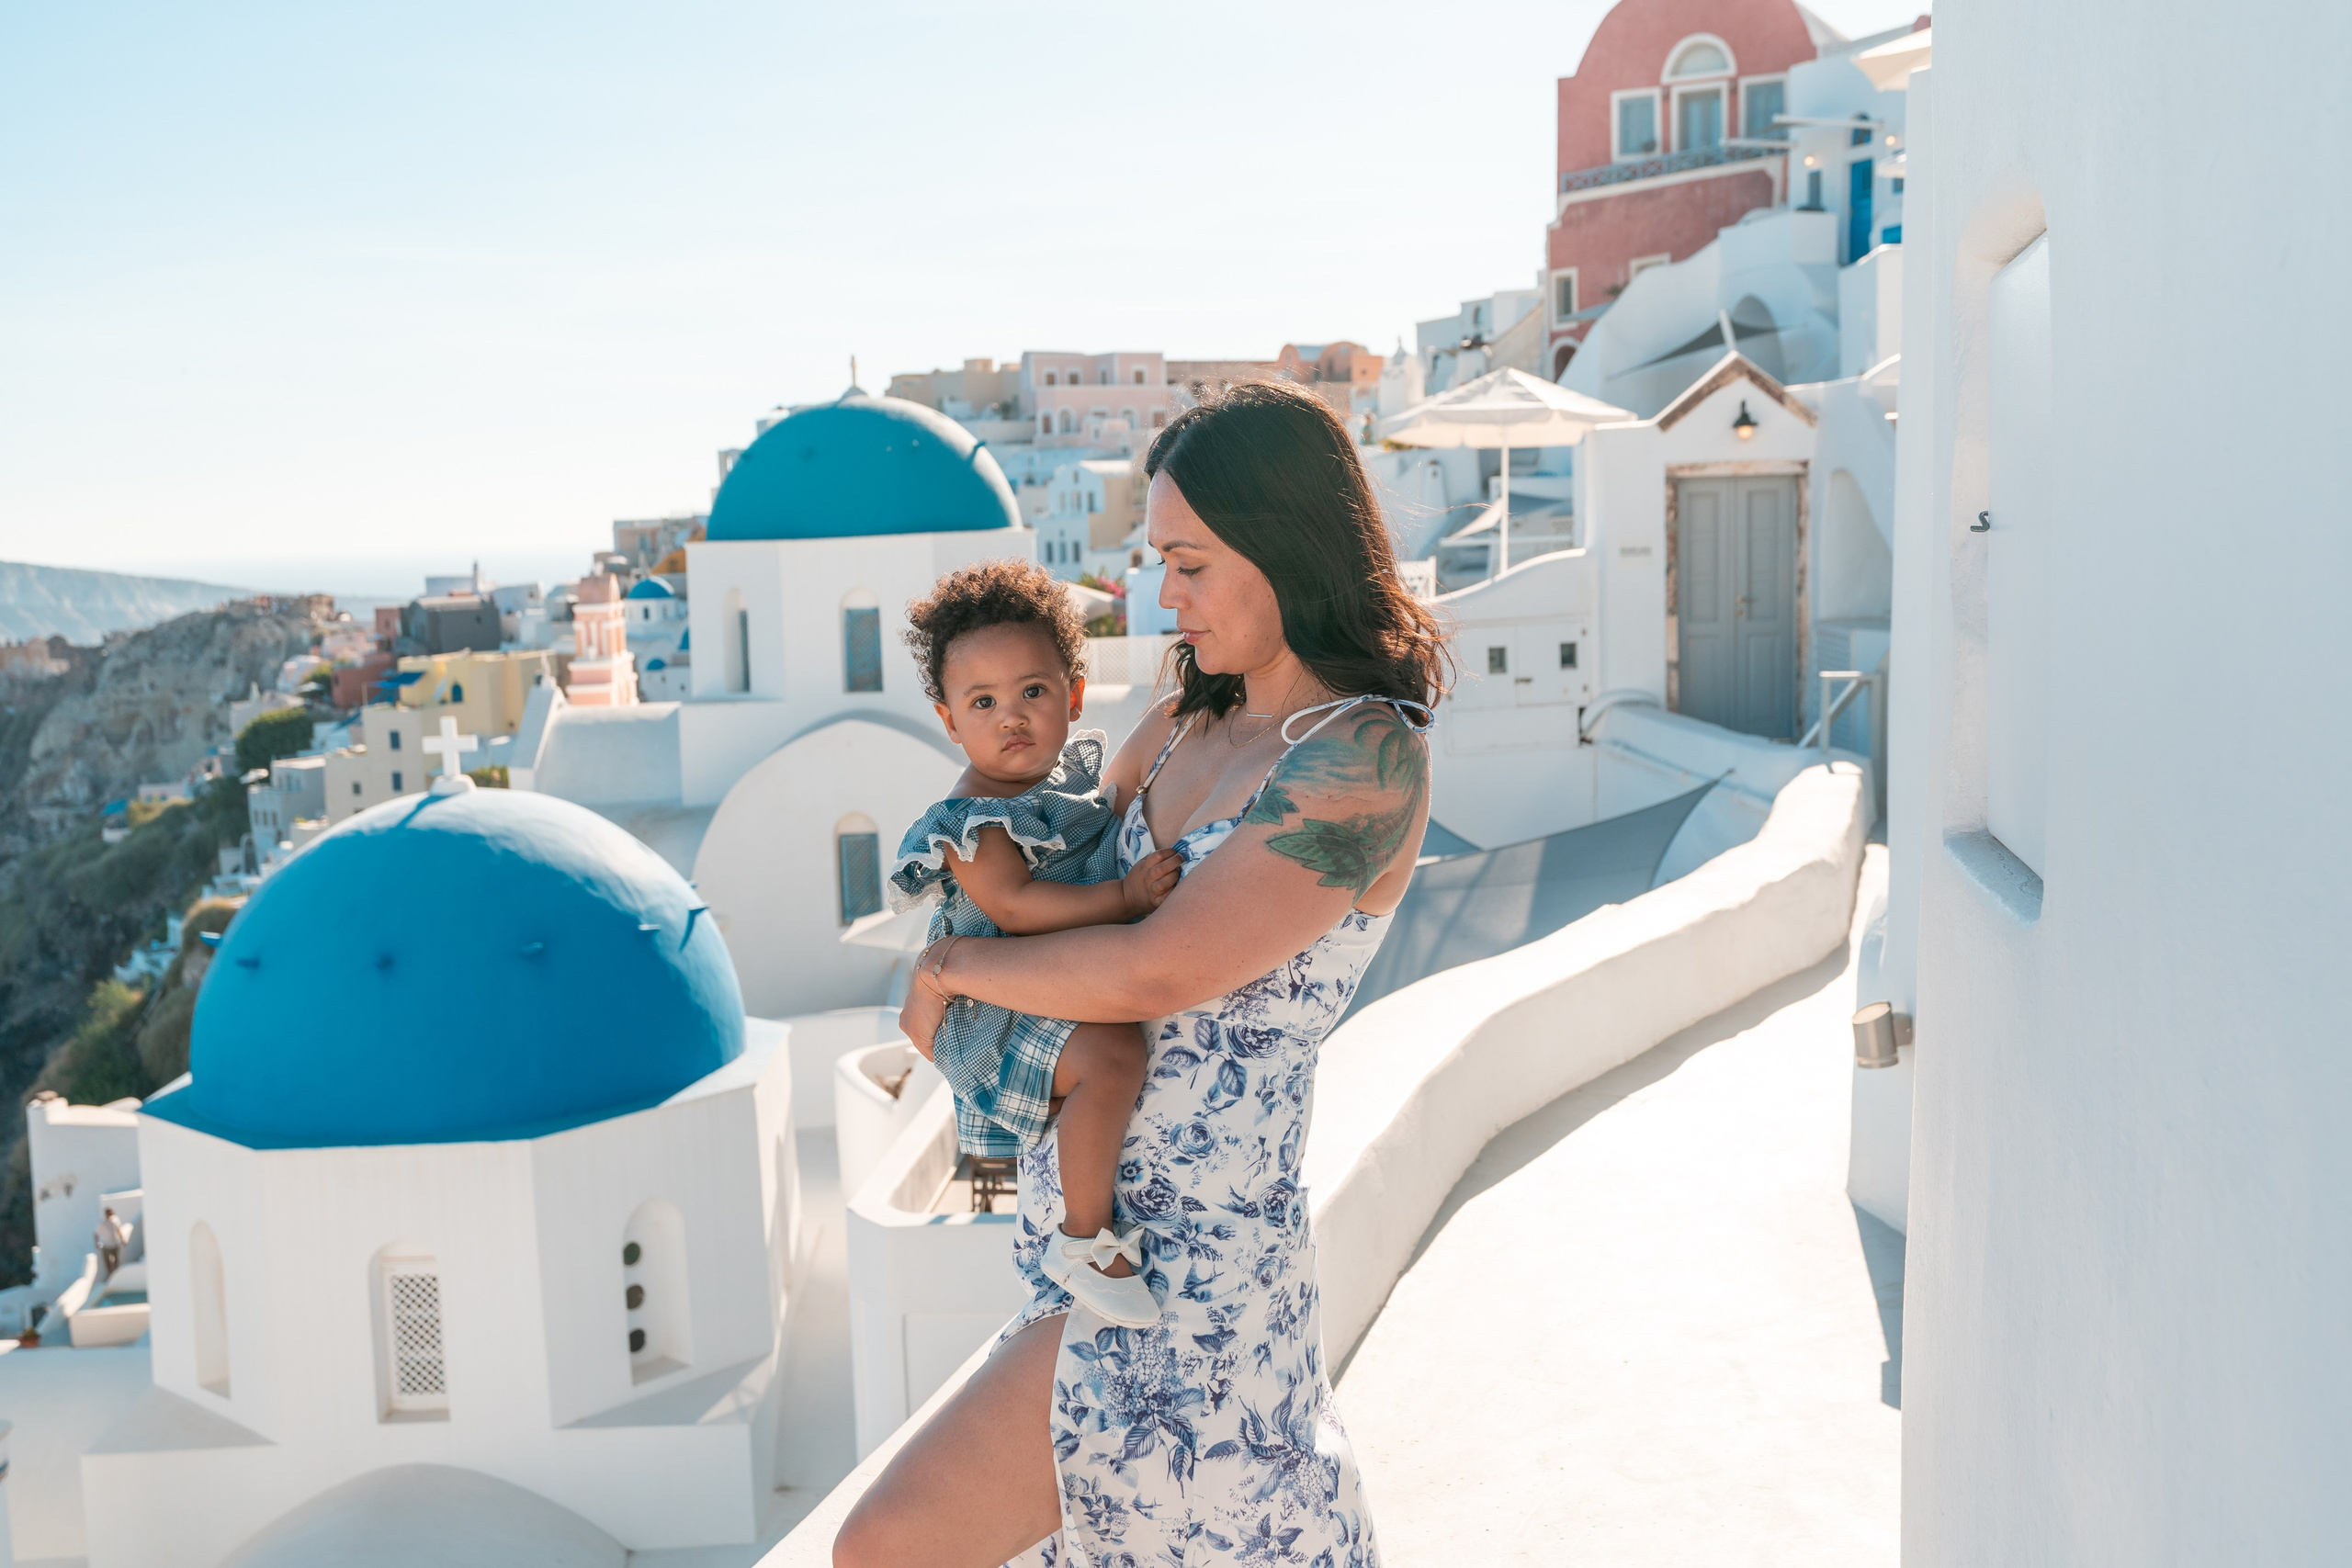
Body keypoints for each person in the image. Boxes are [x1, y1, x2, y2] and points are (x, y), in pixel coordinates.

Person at [837, 379, 1448, 1568]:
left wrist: (957, 963)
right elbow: (1055, 871)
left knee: (884, 1543)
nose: (1163, 593)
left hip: (1194, 1286)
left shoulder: (1366, 757)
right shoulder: (1174, 721)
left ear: (1282, 546)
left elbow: (1148, 967)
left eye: (1190, 560)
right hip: (1084, 1249)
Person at [889, 558, 1183, 1327]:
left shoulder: (1054, 792)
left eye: (1032, 691)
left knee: (1114, 1050)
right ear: (949, 720)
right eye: (981, 701)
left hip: (1030, 987)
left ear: (1073, 695)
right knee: (1112, 1057)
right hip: (991, 1009)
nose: (1010, 716)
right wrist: (1123, 896)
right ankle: (1082, 1238)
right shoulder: (970, 820)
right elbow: (1016, 908)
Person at [95, 1206, 127, 1277]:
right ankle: (110, 1274)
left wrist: (122, 1240)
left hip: (115, 1244)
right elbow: (96, 1234)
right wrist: (97, 1244)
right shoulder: (102, 1223)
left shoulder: (115, 1220)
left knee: (116, 1260)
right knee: (108, 1262)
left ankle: (116, 1274)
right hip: (106, 1246)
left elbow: (118, 1230)